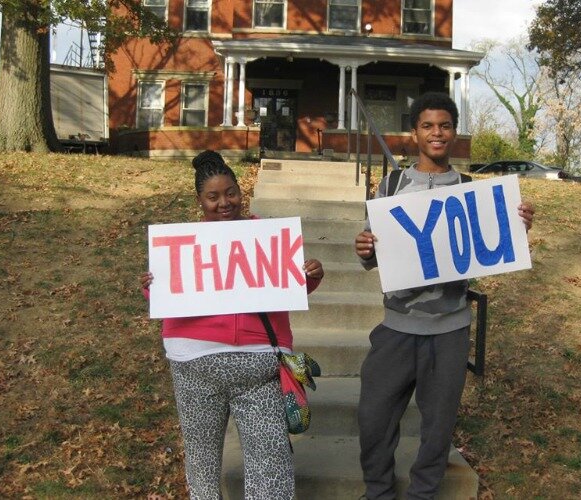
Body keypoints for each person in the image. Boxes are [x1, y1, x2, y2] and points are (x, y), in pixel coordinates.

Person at [354, 92, 535, 500]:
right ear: (414, 133)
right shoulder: (391, 184)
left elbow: (492, 250)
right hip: (396, 325)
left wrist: (517, 228)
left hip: (450, 327)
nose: (437, 133)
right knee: (374, 417)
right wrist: (363, 248)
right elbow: (372, 251)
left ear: (454, 133)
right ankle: (378, 491)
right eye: (428, 125)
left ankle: (423, 493)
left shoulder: (471, 191)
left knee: (438, 427)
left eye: (445, 125)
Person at [141, 150, 324, 499]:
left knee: (271, 463)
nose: (224, 203)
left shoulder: (269, 238)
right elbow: (169, 302)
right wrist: (154, 287)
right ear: (199, 200)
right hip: (195, 363)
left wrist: (310, 276)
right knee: (202, 460)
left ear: (242, 191)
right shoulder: (181, 245)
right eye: (213, 197)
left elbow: (290, 287)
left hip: (259, 365)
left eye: (231, 193)